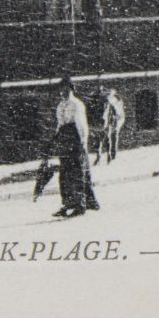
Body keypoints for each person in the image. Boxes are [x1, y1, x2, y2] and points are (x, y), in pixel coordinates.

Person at [50, 77, 99, 218]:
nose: (63, 92)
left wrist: (83, 141)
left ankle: (80, 205)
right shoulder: (60, 105)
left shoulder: (76, 104)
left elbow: (81, 124)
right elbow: (59, 124)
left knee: (78, 172)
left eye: (65, 89)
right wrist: (56, 138)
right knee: (65, 173)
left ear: (71, 89)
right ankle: (68, 204)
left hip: (75, 138)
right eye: (61, 90)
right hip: (65, 139)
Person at [99, 87, 125, 165]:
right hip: (108, 119)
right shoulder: (104, 100)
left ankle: (113, 153)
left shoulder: (114, 99)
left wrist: (114, 117)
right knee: (107, 136)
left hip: (116, 119)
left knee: (114, 135)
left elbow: (118, 111)